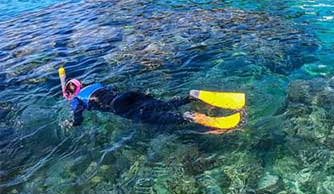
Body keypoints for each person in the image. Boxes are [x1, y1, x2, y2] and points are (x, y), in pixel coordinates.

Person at [58, 67, 245, 132]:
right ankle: (191, 96)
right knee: (161, 105)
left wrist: (71, 124)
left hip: (119, 106)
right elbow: (112, 90)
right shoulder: (96, 84)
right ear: (81, 85)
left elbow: (78, 118)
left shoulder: (77, 100)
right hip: (128, 95)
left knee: (154, 118)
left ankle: (188, 117)